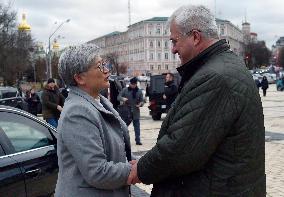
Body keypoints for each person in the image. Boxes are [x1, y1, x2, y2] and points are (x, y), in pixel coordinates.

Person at [128, 5, 265, 196]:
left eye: (175, 41)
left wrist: (141, 169)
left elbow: (180, 149)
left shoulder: (214, 77)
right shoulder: (224, 65)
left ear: (195, 36)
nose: (173, 49)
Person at [55, 44, 135, 197]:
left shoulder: (99, 101)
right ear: (79, 78)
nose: (107, 70)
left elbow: (117, 153)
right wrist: (138, 170)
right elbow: (97, 172)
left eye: (104, 64)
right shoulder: (77, 112)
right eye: (99, 66)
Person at [118, 77, 144, 145]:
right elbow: (118, 97)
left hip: (136, 112)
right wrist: (123, 99)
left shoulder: (139, 91)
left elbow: (142, 101)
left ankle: (138, 140)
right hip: (127, 111)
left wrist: (140, 104)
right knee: (124, 127)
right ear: (130, 83)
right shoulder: (125, 90)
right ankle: (123, 140)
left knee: (137, 127)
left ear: (136, 84)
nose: (133, 85)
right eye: (132, 84)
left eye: (134, 84)